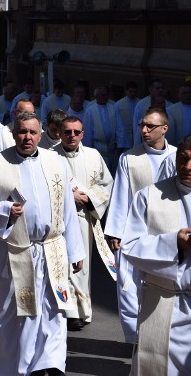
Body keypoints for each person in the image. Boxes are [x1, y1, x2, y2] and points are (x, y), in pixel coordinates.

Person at [0, 112, 85, 376]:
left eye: (33, 132)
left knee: (53, 309)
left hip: (51, 248)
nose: (27, 137)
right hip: (14, 251)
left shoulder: (55, 161)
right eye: (22, 132)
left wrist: (74, 250)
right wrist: (6, 210)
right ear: (13, 133)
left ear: (41, 134)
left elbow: (67, 208)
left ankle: (50, 363)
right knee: (17, 313)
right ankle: (18, 365)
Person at [104, 108, 177, 343]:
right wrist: (116, 231)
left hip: (167, 230)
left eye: (150, 126)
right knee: (129, 285)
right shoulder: (130, 157)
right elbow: (121, 194)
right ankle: (136, 339)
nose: (144, 130)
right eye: (142, 126)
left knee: (164, 284)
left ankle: (164, 334)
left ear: (164, 129)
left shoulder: (178, 156)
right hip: (135, 230)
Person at [121, 138, 191, 375]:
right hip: (163, 303)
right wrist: (174, 243)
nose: (188, 166)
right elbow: (130, 246)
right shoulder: (149, 196)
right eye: (184, 159)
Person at [55, 116, 115, 331]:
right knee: (61, 264)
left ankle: (81, 309)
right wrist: (70, 197)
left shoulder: (93, 155)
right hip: (58, 221)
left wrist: (88, 197)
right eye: (67, 131)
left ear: (83, 134)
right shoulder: (50, 157)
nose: (72, 135)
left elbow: (106, 183)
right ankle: (68, 310)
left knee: (81, 265)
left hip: (83, 218)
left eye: (76, 132)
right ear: (59, 133)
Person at [82, 86, 125, 174]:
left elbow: (119, 126)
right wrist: (87, 148)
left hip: (112, 148)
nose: (105, 97)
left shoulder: (113, 107)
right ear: (96, 96)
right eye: (103, 95)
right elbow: (87, 131)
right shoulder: (90, 110)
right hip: (98, 148)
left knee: (113, 173)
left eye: (106, 95)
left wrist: (120, 143)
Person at [132, 79, 172, 146]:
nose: (160, 90)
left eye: (162, 88)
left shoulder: (170, 105)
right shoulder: (141, 104)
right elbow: (136, 125)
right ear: (150, 89)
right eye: (157, 88)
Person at [114, 81, 139, 151]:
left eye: (134, 91)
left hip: (136, 133)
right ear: (126, 91)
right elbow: (116, 122)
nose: (133, 94)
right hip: (123, 136)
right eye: (131, 92)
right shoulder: (118, 104)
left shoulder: (139, 103)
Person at [165, 82, 191, 146]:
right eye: (184, 93)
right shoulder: (170, 110)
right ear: (178, 94)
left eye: (189, 93)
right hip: (176, 146)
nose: (187, 95)